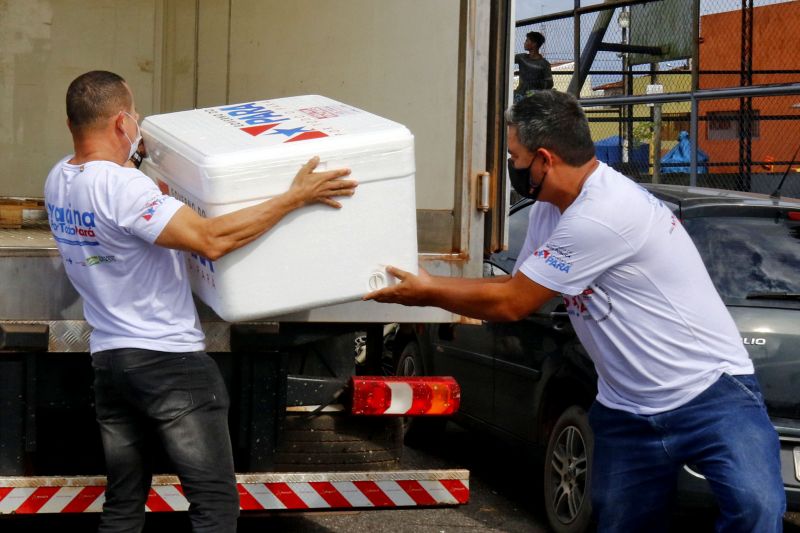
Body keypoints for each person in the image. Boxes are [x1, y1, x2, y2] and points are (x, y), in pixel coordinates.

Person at [364, 90, 785, 532]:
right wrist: (435, 286)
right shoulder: (552, 209)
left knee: (756, 511)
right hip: (626, 407)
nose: (512, 166)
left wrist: (427, 290)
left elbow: (513, 303)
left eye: (515, 155)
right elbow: (515, 283)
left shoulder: (603, 212)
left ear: (544, 159)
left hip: (709, 393)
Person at [44, 70, 356, 532]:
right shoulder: (124, 187)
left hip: (111, 361)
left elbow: (122, 222)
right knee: (213, 505)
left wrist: (154, 186)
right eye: (135, 116)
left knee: (124, 504)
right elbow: (210, 240)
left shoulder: (60, 179)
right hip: (167, 361)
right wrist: (294, 197)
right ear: (121, 123)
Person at [514, 31, 554, 102]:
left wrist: (531, 86)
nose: (524, 43)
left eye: (527, 40)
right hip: (521, 95)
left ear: (534, 44)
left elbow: (549, 83)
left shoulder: (544, 64)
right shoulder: (521, 57)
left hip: (533, 98)